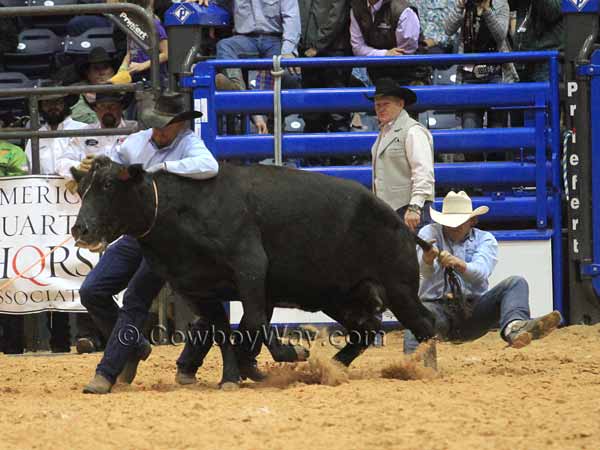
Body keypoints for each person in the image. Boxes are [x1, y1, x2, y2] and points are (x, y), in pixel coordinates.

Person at [79, 92, 219, 394]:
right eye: (156, 125)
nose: (158, 131)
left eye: (165, 126)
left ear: (180, 125)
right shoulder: (135, 142)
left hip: (171, 240)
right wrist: (98, 166)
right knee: (92, 291)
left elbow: (210, 166)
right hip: (136, 234)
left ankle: (106, 372)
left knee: (136, 298)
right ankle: (135, 345)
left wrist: (163, 169)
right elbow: (111, 168)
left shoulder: (190, 144)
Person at [403, 190, 562, 353]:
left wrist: (460, 265)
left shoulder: (485, 240)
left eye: (459, 221)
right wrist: (428, 260)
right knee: (419, 315)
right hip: (436, 307)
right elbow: (423, 274)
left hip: (474, 310)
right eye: (450, 222)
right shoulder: (429, 233)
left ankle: (514, 327)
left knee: (516, 282)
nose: (454, 226)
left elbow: (481, 273)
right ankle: (415, 364)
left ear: (472, 221)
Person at [211, 0, 301, 133]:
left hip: (275, 39)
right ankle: (239, 91)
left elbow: (291, 17)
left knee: (287, 74)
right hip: (245, 39)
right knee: (224, 46)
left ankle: (267, 119)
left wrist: (288, 50)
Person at [368, 78, 434, 232]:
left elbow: (423, 171)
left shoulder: (413, 130)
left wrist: (415, 206)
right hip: (390, 211)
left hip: (410, 211)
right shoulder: (384, 132)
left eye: (386, 104)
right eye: (378, 105)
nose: (381, 109)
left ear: (400, 104)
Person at [444, 0, 517, 132]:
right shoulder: (465, 4)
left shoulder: (501, 4)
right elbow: (448, 30)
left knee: (498, 134)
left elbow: (500, 35)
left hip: (495, 75)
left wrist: (487, 10)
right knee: (470, 136)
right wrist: (459, 7)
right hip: (469, 76)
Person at [298, 0, 352, 133]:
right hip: (307, 49)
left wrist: (317, 46)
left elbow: (337, 16)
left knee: (337, 112)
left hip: (334, 50)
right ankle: (313, 152)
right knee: (312, 112)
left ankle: (339, 153)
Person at [57, 90, 137, 179]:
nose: (107, 110)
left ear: (121, 107)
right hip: (94, 187)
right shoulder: (84, 133)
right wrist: (79, 167)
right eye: (102, 106)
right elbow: (61, 163)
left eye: (112, 106)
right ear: (95, 109)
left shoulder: (135, 130)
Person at [350, 0, 427, 86]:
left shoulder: (404, 10)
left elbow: (403, 53)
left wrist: (377, 54)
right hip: (378, 75)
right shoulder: (356, 8)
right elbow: (358, 48)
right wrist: (385, 54)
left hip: (411, 75)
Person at [510, 0, 563, 83]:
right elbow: (509, 5)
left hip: (546, 60)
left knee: (545, 95)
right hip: (522, 59)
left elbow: (551, 12)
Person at [70, 48, 121, 124]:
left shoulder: (125, 89)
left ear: (113, 71)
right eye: (96, 68)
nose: (101, 73)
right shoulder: (77, 92)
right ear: (88, 73)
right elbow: (78, 115)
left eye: (105, 67)